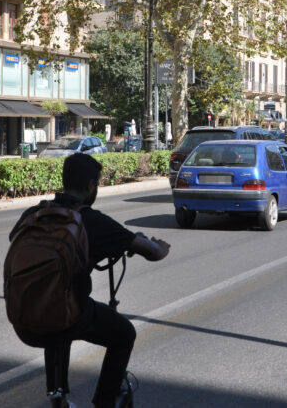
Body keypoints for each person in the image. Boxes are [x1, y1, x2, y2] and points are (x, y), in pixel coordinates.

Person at [10, 153, 171, 408]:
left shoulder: (35, 213)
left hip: (23, 318)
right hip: (64, 318)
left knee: (56, 308)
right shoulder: (92, 221)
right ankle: (104, 403)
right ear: (89, 187)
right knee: (122, 333)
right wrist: (160, 246)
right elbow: (153, 253)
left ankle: (58, 398)